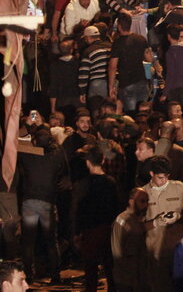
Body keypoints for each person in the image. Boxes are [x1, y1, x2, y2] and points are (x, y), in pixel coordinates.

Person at [18, 128, 67, 284]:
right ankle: (55, 275)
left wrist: (31, 123)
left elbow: (20, 141)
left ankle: (28, 275)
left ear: (35, 141)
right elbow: (60, 153)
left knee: (28, 242)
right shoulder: (56, 156)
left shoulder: (27, 155)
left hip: (30, 202)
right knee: (51, 242)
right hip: (47, 202)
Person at [71, 146, 121, 292]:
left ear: (88, 163)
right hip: (107, 229)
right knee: (109, 266)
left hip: (90, 230)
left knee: (90, 268)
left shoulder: (84, 184)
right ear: (103, 160)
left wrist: (76, 232)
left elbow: (78, 210)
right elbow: (117, 207)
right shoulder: (111, 182)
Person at [143, 156, 183, 292]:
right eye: (160, 177)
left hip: (178, 249)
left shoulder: (179, 188)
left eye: (166, 177)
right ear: (151, 174)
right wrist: (155, 223)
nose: (164, 181)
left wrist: (178, 216)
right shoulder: (143, 193)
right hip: (156, 252)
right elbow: (138, 227)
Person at [109, 14, 152, 113]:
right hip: (141, 80)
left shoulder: (117, 43)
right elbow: (149, 58)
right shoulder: (141, 39)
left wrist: (111, 87)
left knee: (131, 113)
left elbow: (113, 66)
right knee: (143, 112)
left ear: (119, 26)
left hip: (126, 83)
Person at [111, 188, 150, 292]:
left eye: (147, 201)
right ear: (131, 202)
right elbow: (117, 253)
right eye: (142, 201)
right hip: (126, 280)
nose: (146, 205)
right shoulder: (122, 220)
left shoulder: (137, 219)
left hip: (139, 277)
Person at [78, 25, 112, 103]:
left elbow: (84, 73)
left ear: (87, 38)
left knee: (96, 108)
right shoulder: (111, 46)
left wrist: (82, 92)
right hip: (112, 81)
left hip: (97, 83)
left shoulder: (88, 51)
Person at [49, 40, 81, 119]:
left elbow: (53, 86)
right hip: (77, 99)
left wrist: (52, 108)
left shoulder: (55, 65)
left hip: (62, 100)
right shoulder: (78, 63)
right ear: (71, 50)